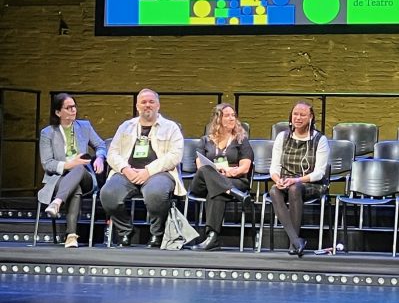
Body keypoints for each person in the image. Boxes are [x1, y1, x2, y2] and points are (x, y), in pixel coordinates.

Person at [100, 88, 184, 247]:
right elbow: (112, 153)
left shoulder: (171, 127)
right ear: (137, 106)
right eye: (143, 102)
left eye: (151, 102)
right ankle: (125, 231)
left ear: (158, 105)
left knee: (156, 194)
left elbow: (175, 156)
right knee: (108, 194)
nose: (147, 105)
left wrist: (148, 171)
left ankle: (157, 233)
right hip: (127, 173)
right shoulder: (126, 126)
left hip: (159, 173)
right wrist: (126, 169)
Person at [38, 93, 106, 248]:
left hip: (85, 176)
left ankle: (57, 202)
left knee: (79, 168)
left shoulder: (85, 126)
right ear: (58, 112)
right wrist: (69, 164)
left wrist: (100, 157)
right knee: (75, 189)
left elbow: (101, 145)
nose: (73, 110)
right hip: (58, 178)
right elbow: (47, 164)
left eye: (74, 106)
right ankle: (71, 236)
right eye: (68, 108)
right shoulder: (47, 133)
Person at [189, 103, 253, 251]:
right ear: (218, 119)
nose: (232, 118)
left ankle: (212, 238)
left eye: (233, 115)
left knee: (217, 193)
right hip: (203, 183)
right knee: (206, 170)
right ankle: (233, 192)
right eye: (227, 115)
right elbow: (200, 166)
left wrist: (230, 171)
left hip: (234, 180)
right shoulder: (205, 140)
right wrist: (217, 169)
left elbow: (245, 167)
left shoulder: (241, 140)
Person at [269, 100, 330, 257]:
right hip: (286, 181)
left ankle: (293, 243)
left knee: (295, 189)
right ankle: (296, 241)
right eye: (295, 114)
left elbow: (319, 173)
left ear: (311, 118)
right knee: (274, 191)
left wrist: (296, 180)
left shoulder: (319, 140)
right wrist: (278, 180)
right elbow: (274, 168)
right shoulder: (283, 137)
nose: (298, 117)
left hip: (311, 184)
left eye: (303, 115)